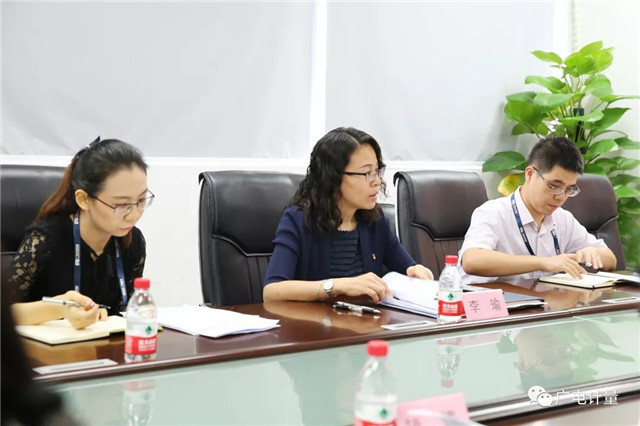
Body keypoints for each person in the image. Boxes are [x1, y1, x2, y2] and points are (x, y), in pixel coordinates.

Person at [263, 127, 433, 302]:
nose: (377, 181)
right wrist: (337, 285)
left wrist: (419, 271)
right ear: (333, 178)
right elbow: (272, 291)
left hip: (366, 318)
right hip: (314, 319)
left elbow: (408, 267)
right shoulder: (298, 219)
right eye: (367, 173)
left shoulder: (375, 219)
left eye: (377, 171)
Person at [8, 138, 152, 329]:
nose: (134, 215)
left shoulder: (132, 242)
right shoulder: (46, 239)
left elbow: (123, 309)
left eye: (141, 201)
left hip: (104, 344)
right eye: (121, 205)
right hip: (45, 346)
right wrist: (60, 308)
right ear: (83, 199)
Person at [459, 136, 616, 285]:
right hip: (487, 301)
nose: (561, 197)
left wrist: (592, 252)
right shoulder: (493, 212)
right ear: (529, 174)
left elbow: (610, 260)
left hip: (539, 300)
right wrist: (544, 263)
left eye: (569, 189)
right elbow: (472, 260)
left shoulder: (563, 219)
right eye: (554, 186)